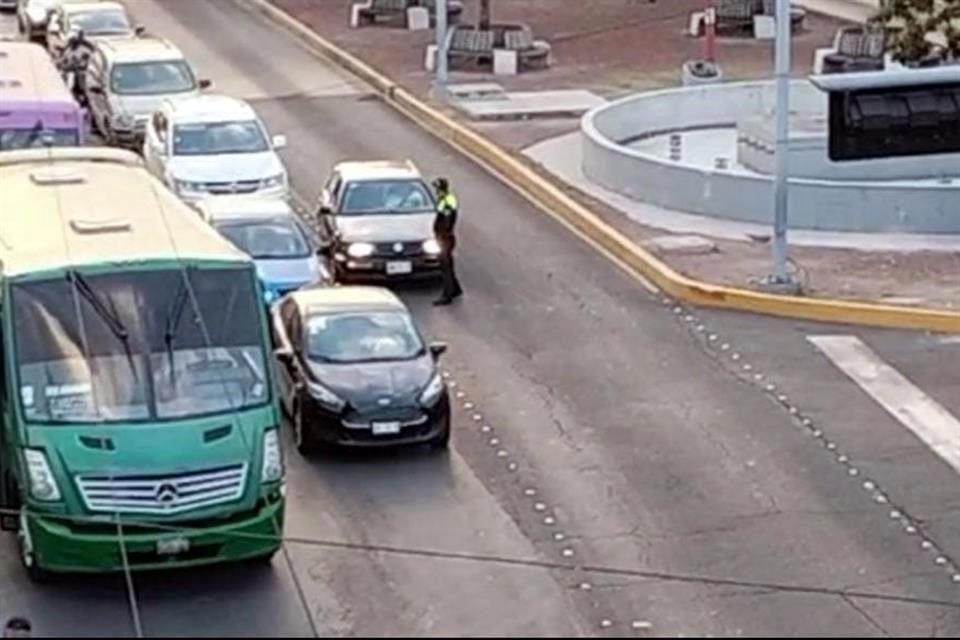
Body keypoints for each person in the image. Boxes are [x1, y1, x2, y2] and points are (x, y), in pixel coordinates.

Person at [431, 177, 463, 306]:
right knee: (447, 264)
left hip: (445, 238)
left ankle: (447, 296)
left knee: (445, 266)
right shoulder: (445, 199)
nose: (435, 191)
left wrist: (443, 234)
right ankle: (455, 289)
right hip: (445, 237)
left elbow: (447, 219)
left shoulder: (447, 201)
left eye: (436, 188)